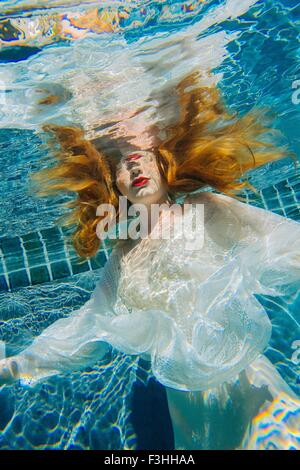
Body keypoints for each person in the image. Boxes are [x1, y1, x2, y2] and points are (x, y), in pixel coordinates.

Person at [0, 75, 299, 449]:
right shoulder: (123, 258)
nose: (135, 169)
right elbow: (85, 328)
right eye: (123, 166)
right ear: (113, 185)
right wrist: (17, 365)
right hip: (187, 412)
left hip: (250, 387)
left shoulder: (207, 210)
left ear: (163, 165)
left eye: (142, 158)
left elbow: (287, 246)